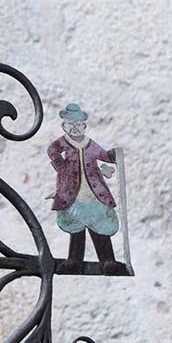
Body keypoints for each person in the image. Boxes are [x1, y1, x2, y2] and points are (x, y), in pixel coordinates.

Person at [45, 103, 121, 270]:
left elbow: (103, 155)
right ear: (64, 126)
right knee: (76, 226)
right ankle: (74, 260)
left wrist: (114, 154)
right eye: (71, 125)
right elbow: (52, 150)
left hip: (94, 193)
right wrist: (61, 167)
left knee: (100, 224)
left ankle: (108, 260)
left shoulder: (90, 144)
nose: (75, 128)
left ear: (84, 126)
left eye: (78, 125)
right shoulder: (63, 142)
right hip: (73, 194)